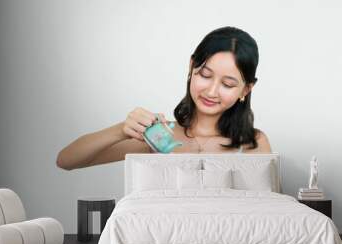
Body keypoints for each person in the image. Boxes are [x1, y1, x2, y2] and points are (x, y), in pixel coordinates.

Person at [56, 26, 271, 170]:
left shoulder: (253, 143)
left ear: (246, 89)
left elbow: (266, 212)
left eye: (228, 84)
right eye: (205, 75)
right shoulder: (160, 137)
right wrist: (121, 129)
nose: (212, 91)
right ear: (191, 67)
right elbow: (66, 160)